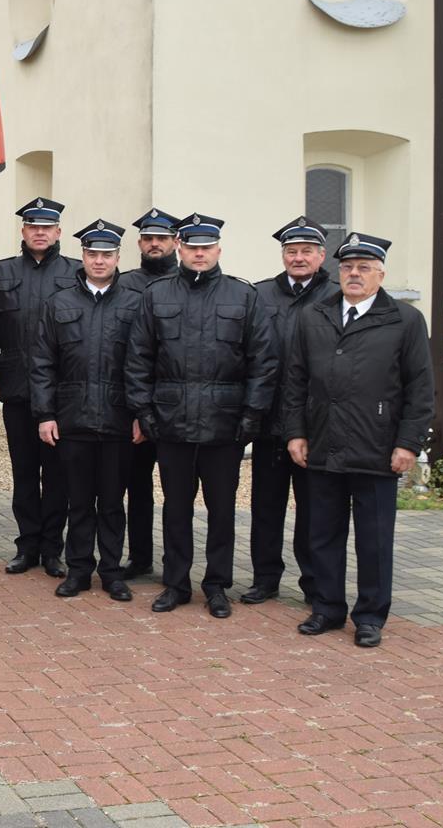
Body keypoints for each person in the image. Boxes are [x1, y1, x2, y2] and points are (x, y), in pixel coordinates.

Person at [282, 233, 433, 648]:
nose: (354, 274)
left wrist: (408, 443)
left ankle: (369, 616)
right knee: (323, 533)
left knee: (374, 538)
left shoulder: (404, 320)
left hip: (378, 447)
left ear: (381, 274)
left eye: (364, 267)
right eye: (347, 267)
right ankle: (327, 608)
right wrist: (295, 431)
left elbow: (420, 388)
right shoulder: (315, 316)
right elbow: (295, 380)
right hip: (324, 444)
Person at [125, 213, 276, 618]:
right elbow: (138, 358)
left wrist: (251, 416)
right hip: (171, 423)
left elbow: (263, 362)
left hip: (223, 425)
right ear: (180, 248)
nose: (198, 254)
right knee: (176, 509)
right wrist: (144, 410)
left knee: (221, 511)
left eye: (206, 247)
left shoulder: (242, 297)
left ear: (218, 250)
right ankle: (176, 584)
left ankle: (217, 585)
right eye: (192, 247)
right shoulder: (157, 295)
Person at [28, 218, 143, 603]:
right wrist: (45, 414)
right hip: (72, 418)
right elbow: (42, 362)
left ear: (117, 258)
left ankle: (111, 573)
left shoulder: (135, 303)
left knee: (111, 503)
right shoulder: (60, 303)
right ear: (83, 256)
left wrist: (141, 414)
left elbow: (145, 362)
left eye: (106, 255)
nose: (99, 261)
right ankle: (78, 571)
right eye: (93, 254)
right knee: (77, 501)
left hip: (118, 419)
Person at [0, 198, 81, 577]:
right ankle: (27, 546)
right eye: (33, 226)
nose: (40, 232)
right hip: (17, 386)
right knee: (23, 472)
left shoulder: (76, 273)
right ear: (23, 232)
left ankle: (53, 549)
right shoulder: (2, 273)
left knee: (57, 475)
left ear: (58, 233)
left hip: (62, 392)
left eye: (47, 227)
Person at [241, 217, 336, 608]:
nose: (298, 258)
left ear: (321, 255)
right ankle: (265, 578)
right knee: (266, 506)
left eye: (306, 251)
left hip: (315, 425)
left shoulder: (335, 295)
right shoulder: (261, 294)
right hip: (269, 421)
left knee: (314, 510)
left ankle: (314, 583)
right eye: (291, 251)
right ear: (283, 255)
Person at [115, 208, 180, 579]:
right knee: (136, 487)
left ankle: (176, 564)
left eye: (162, 238)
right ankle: (139, 558)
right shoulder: (124, 284)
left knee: (177, 492)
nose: (155, 244)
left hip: (173, 404)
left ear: (175, 243)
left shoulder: (186, 281)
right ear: (140, 243)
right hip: (133, 405)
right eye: (148, 238)